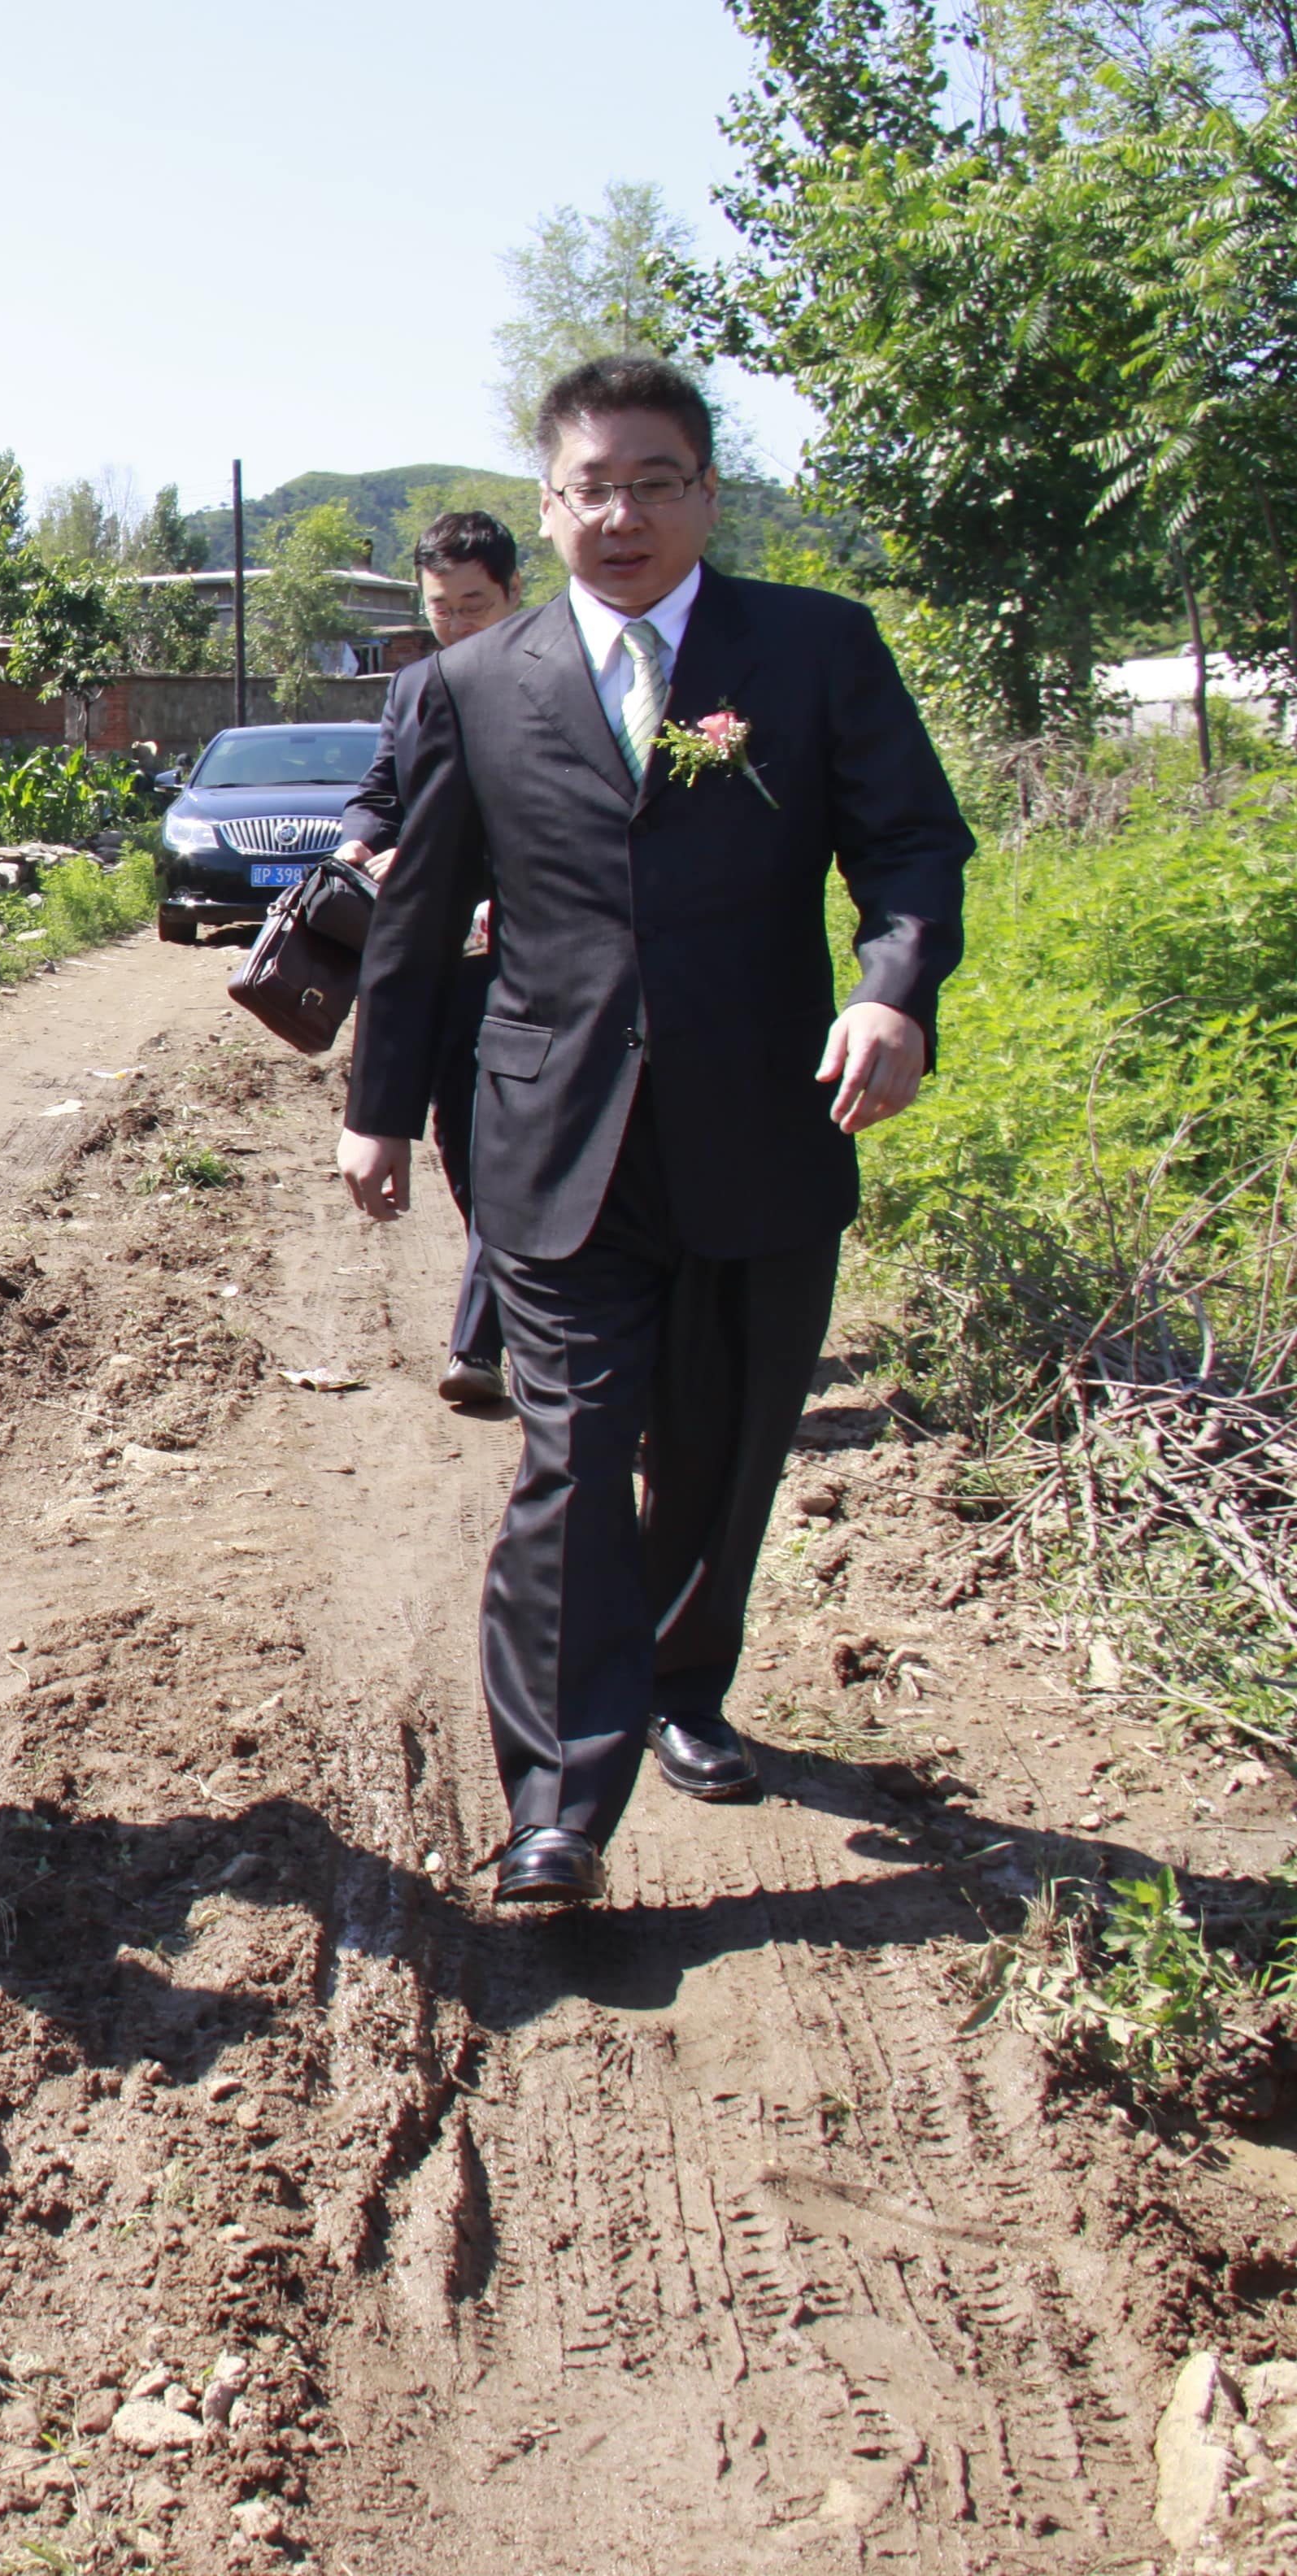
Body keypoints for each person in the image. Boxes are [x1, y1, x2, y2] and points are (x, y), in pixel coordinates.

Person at [336, 355, 971, 1909]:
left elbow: (908, 848)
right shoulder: (474, 686)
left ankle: (686, 1684)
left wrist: (892, 992)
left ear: (702, 491)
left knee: (720, 1457)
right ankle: (558, 1799)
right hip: (553, 1141)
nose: (619, 513)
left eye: (653, 481)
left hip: (763, 1123)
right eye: (588, 487)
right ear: (548, 505)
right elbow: (416, 925)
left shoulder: (815, 650)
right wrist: (376, 1111)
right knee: (568, 1457)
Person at [338, 510, 525, 1411]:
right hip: (444, 960)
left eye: (475, 605)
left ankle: (481, 1341)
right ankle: (516, 1313)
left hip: (536, 957)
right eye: (443, 609)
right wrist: (357, 848)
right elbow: (381, 792)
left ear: (515, 593)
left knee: (511, 1145)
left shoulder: (556, 679)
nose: (458, 624)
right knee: (461, 1137)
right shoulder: (413, 690)